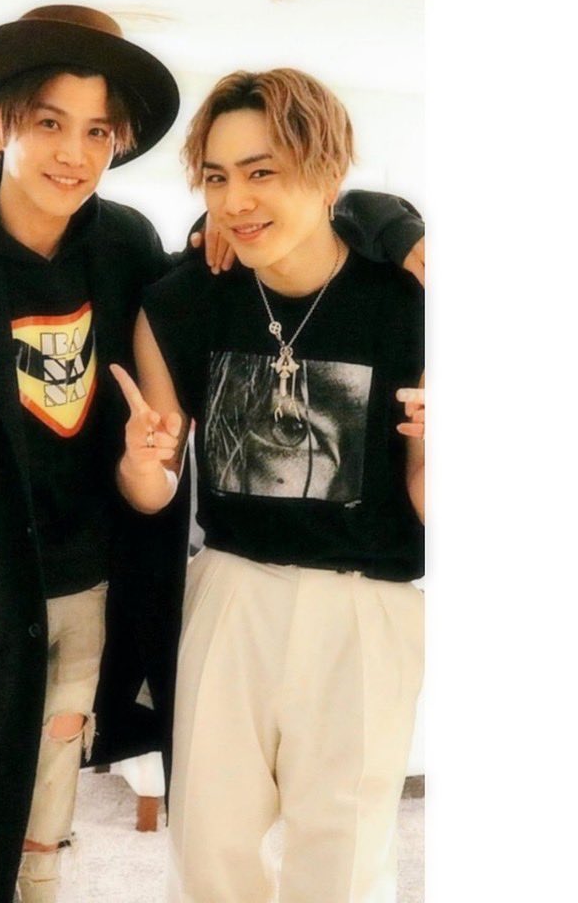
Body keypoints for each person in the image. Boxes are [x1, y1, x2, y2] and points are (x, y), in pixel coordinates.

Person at [0, 6, 425, 903]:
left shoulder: (125, 247)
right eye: (49, 123)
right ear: (0, 125)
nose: (74, 153)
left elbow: (282, 221)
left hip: (95, 586)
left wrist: (392, 221)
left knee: (54, 818)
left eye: (98, 131)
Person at [112, 68, 425, 903]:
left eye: (262, 173)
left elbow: (429, 504)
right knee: (210, 850)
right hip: (231, 592)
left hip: (367, 605)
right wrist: (143, 466)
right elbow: (156, 485)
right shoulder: (181, 302)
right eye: (217, 178)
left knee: (344, 859)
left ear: (328, 172)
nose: (236, 201)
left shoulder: (411, 303)